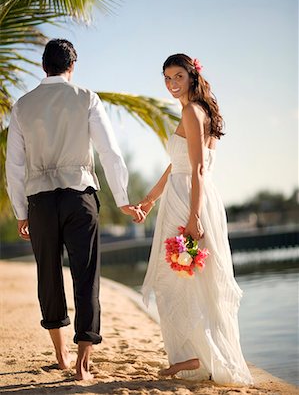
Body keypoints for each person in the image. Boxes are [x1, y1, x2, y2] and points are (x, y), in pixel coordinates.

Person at [5, 39, 144, 381]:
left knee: (48, 276)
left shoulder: (22, 106)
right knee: (86, 275)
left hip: (40, 201)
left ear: (43, 67)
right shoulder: (86, 98)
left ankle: (60, 353)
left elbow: (15, 166)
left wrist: (21, 212)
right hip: (79, 197)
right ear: (72, 67)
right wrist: (123, 197)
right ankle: (84, 358)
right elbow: (109, 151)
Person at [138, 53, 253, 385]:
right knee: (187, 282)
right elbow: (177, 165)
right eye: (167, 78)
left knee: (178, 282)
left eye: (177, 77)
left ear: (191, 76)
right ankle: (198, 355)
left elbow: (198, 169)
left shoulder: (192, 111)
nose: (172, 84)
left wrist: (193, 217)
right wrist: (148, 200)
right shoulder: (200, 112)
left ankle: (198, 356)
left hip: (190, 200)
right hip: (188, 195)